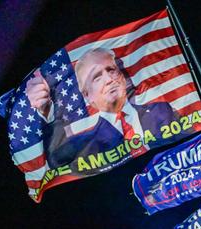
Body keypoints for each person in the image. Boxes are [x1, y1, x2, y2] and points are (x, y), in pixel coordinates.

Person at [26, 47, 183, 168]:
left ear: (122, 77)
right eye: (97, 77)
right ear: (87, 96)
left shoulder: (161, 110)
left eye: (111, 70)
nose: (108, 79)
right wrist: (46, 112)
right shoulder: (85, 143)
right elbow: (55, 159)